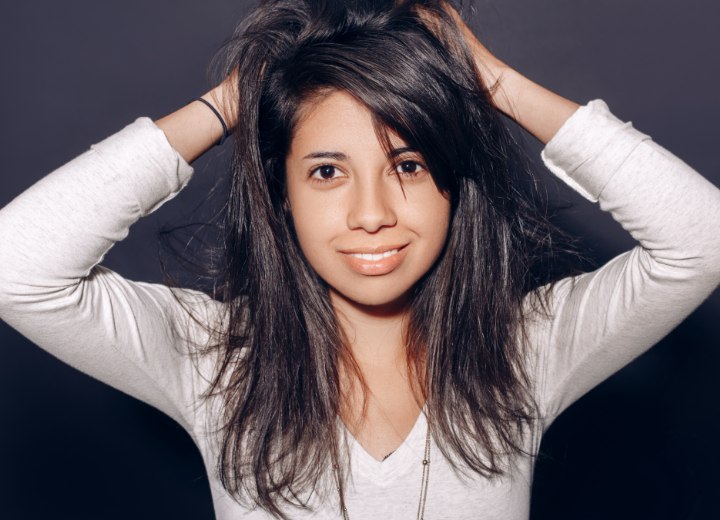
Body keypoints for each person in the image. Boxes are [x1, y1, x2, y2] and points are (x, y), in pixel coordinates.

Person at [1, 1, 719, 519]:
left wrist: (491, 83)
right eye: (325, 172)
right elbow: (17, 266)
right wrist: (229, 104)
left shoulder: (527, 346)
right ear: (280, 194)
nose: (371, 213)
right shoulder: (210, 355)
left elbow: (702, 241)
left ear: (452, 186)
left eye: (406, 164)